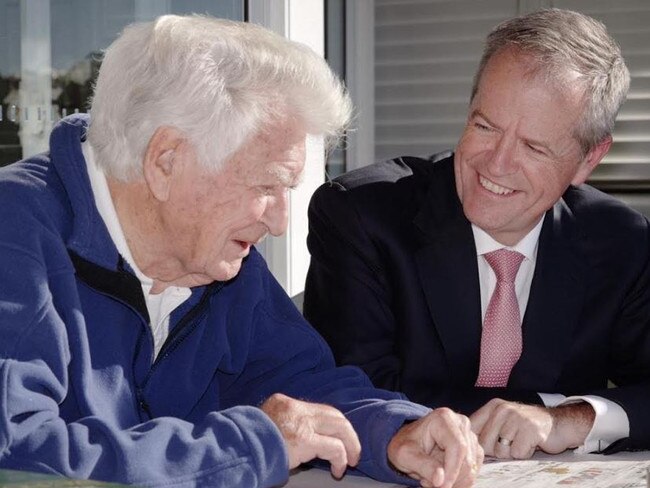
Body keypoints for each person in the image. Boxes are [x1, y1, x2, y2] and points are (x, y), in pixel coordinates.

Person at [0, 15, 483, 488]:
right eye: (267, 185)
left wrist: (393, 432)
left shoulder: (214, 258)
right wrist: (253, 443)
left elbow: (302, 383)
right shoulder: (14, 234)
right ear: (166, 161)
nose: (279, 221)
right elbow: (20, 457)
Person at [304, 8, 650, 460]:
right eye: (485, 126)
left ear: (589, 160)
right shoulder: (361, 218)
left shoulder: (620, 240)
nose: (496, 164)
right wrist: (536, 410)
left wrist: (572, 417)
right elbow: (352, 395)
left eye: (533, 147)